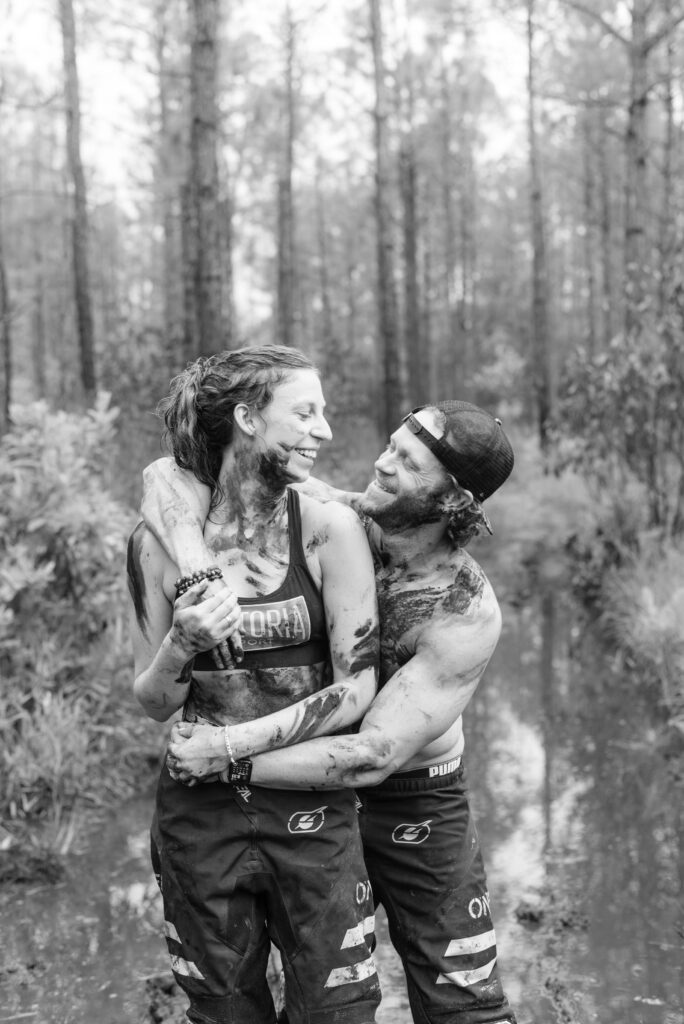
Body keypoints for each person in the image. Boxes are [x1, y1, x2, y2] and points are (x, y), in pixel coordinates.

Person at [143, 398, 517, 1024]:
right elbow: (165, 474)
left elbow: (371, 755)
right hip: (298, 795)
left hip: (412, 796)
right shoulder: (341, 518)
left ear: (454, 501)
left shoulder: (464, 610)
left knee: (465, 998)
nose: (381, 462)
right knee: (326, 994)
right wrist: (193, 562)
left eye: (407, 462)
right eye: (392, 444)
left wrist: (228, 758)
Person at [127, 346, 383, 1024]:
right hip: (198, 822)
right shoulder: (157, 544)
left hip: (311, 813)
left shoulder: (328, 530)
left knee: (340, 1012)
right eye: (304, 412)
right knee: (223, 1013)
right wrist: (182, 642)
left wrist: (235, 744)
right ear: (245, 417)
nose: (323, 430)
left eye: (322, 413)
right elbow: (154, 703)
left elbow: (358, 689)